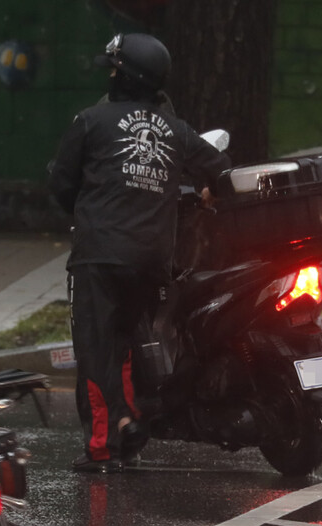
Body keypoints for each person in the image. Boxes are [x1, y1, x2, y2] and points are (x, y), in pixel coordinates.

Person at [48, 33, 231, 474]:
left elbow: (60, 183)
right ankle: (128, 430)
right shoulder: (176, 129)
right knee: (127, 344)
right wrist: (206, 195)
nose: (110, 75)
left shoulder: (91, 121)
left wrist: (89, 209)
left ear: (124, 75)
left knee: (96, 350)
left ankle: (103, 446)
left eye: (113, 68)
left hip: (99, 255)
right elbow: (220, 171)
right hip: (152, 260)